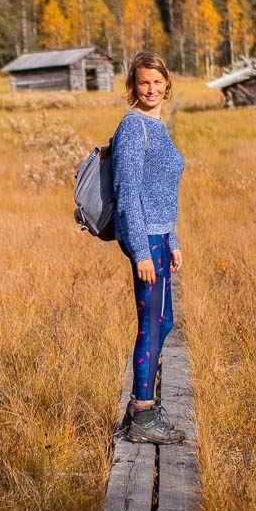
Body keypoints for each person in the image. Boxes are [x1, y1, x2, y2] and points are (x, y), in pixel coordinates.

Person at [111, 51, 187, 444]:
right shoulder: (132, 128)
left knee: (164, 323)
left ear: (167, 83)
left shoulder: (157, 125)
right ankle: (143, 413)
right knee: (150, 326)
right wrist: (141, 251)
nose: (151, 89)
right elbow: (127, 195)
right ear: (133, 86)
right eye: (143, 82)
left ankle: (142, 404)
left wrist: (171, 240)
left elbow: (163, 191)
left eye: (157, 82)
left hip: (160, 237)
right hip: (145, 241)